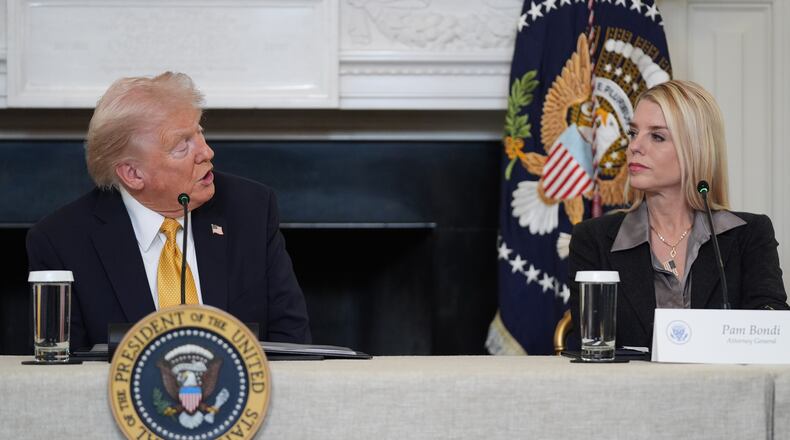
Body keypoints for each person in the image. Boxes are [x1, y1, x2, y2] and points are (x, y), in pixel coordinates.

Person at [26, 72, 311, 350]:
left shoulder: (249, 208)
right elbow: (62, 370)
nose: (206, 152)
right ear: (133, 174)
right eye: (182, 146)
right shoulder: (61, 241)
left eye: (199, 133)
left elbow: (292, 342)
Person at [569, 80, 788, 349]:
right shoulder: (593, 239)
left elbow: (772, 328)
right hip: (629, 389)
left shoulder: (749, 234)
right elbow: (584, 345)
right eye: (633, 133)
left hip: (723, 389)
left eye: (657, 136)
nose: (634, 147)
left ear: (695, 149)